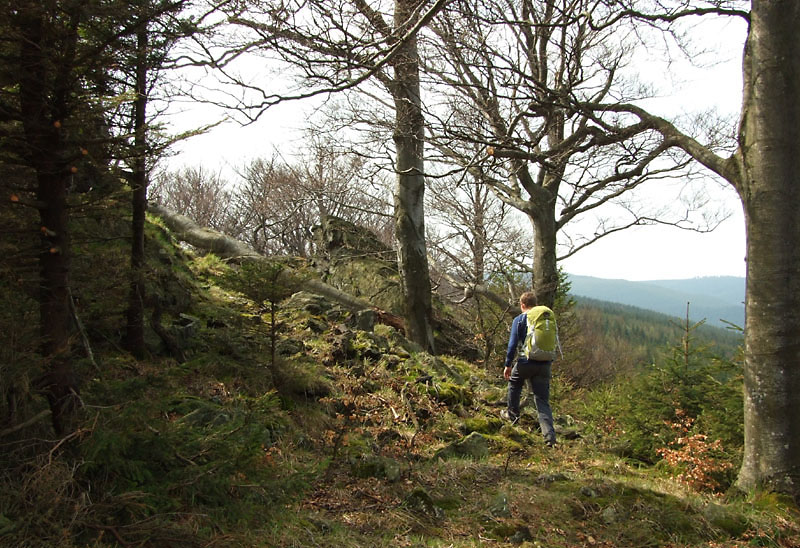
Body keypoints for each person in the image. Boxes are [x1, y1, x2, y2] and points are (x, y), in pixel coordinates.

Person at [501, 291, 557, 447]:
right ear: (536, 303)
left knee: (514, 382)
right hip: (545, 364)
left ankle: (513, 417)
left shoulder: (519, 320)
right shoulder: (544, 319)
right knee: (542, 400)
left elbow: (512, 345)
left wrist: (508, 365)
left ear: (522, 305)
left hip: (526, 362)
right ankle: (549, 436)